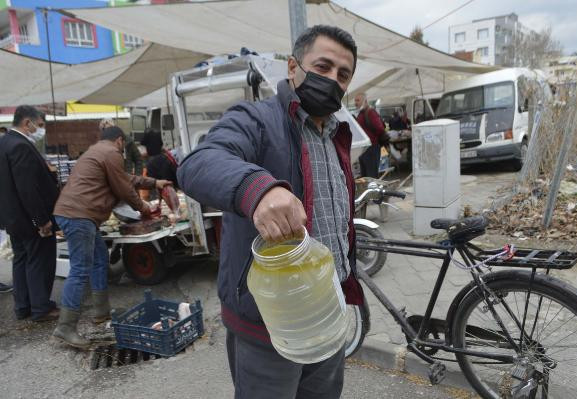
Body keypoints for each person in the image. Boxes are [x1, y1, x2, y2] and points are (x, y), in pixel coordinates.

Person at [178, 25, 364, 399]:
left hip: (327, 313)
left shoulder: (336, 135)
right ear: (293, 67)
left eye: (343, 75)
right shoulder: (256, 119)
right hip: (269, 321)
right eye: (323, 66)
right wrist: (257, 188)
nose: (332, 80)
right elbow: (198, 163)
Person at [52, 126, 172, 348]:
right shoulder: (111, 153)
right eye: (124, 145)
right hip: (79, 216)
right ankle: (65, 327)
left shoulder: (96, 152)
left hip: (78, 214)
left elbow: (125, 178)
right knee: (80, 270)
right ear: (119, 141)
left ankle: (101, 312)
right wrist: (142, 207)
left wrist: (154, 183)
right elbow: (124, 188)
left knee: (99, 259)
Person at [0, 106, 60, 321]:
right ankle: (40, 308)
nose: (40, 130)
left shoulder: (4, 142)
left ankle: (23, 306)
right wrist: (41, 220)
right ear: (28, 123)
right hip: (29, 218)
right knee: (38, 260)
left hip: (13, 218)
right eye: (40, 125)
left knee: (21, 260)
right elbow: (27, 188)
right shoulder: (20, 146)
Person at [354, 92, 386, 178]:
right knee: (365, 177)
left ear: (365, 101)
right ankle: (368, 191)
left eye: (358, 100)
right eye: (355, 101)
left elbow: (380, 129)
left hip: (371, 149)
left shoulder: (370, 112)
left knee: (371, 176)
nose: (355, 103)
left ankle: (373, 191)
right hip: (363, 149)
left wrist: (371, 138)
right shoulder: (361, 113)